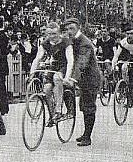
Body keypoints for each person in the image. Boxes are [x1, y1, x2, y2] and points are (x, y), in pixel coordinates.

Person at [62, 18, 101, 147]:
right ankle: (85, 133)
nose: (69, 31)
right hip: (82, 79)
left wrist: (72, 79)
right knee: (84, 105)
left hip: (90, 79)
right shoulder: (71, 41)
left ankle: (88, 137)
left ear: (79, 28)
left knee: (88, 107)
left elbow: (81, 63)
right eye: (67, 29)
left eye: (72, 28)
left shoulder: (84, 42)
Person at [29, 22, 75, 126]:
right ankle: (52, 114)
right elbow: (37, 58)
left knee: (57, 78)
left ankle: (58, 110)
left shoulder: (66, 42)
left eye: (54, 34)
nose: (51, 37)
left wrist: (67, 77)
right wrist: (32, 72)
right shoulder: (45, 43)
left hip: (65, 65)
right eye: (49, 34)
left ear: (59, 33)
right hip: (53, 66)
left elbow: (70, 61)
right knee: (47, 89)